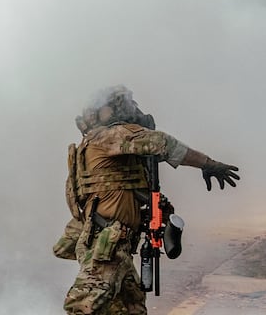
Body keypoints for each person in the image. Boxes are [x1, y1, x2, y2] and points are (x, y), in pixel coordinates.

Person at [58, 85, 241, 315]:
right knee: (83, 305)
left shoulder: (97, 148)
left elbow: (118, 192)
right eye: (124, 103)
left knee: (131, 308)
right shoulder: (110, 136)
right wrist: (208, 164)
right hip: (109, 245)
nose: (132, 108)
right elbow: (162, 143)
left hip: (116, 243)